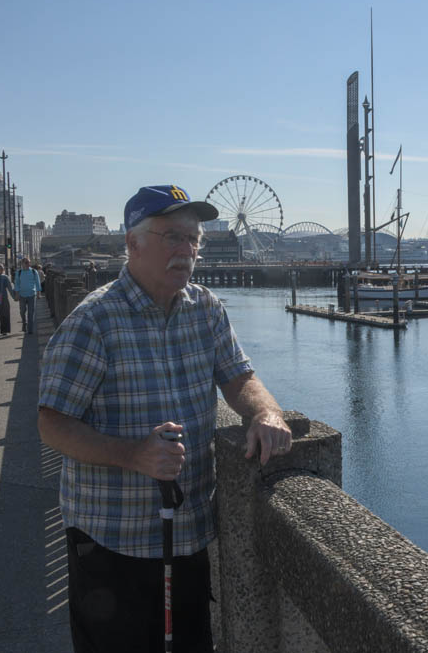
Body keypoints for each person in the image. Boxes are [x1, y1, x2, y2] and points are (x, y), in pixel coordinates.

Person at [37, 184, 292, 653]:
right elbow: (52, 423)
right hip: (113, 544)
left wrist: (266, 413)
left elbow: (239, 377)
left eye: (194, 238)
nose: (187, 249)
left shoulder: (206, 309)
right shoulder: (94, 321)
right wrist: (134, 455)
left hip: (189, 534)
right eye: (171, 236)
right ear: (133, 244)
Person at [14, 257, 42, 335]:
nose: (28, 264)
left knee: (31, 312)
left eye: (29, 262)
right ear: (22, 263)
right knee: (22, 311)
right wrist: (16, 294)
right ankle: (24, 322)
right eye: (26, 262)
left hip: (32, 294)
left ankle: (30, 329)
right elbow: (17, 283)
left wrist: (39, 293)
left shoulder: (34, 271)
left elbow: (37, 282)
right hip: (22, 295)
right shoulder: (18, 272)